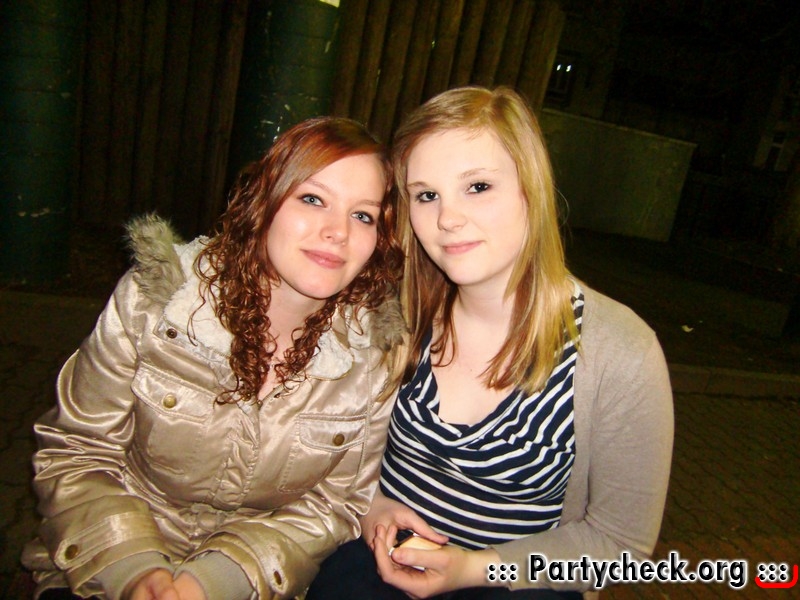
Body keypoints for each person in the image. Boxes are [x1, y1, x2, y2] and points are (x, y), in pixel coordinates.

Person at [306, 86, 674, 599]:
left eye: (477, 186)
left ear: (531, 189)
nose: (448, 218)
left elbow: (621, 544)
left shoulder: (620, 352)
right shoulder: (390, 315)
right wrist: (370, 506)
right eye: (426, 195)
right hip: (376, 567)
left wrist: (475, 569)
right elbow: (321, 453)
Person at [21, 116, 406, 599]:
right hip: (103, 565)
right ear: (264, 201)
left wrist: (216, 580)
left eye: (363, 215)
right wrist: (135, 570)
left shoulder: (373, 355)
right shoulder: (156, 303)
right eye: (313, 199)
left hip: (253, 582)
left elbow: (337, 504)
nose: (338, 232)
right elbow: (77, 451)